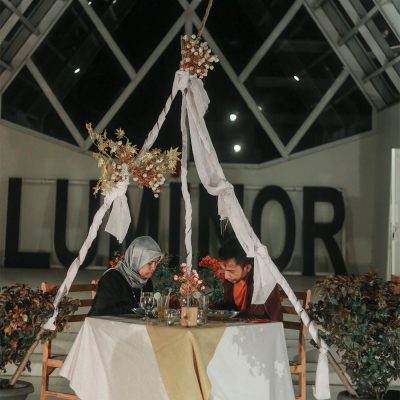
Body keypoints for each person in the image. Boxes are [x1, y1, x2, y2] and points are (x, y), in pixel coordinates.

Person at [88, 236, 163, 316]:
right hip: (104, 322)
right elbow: (103, 310)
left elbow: (146, 312)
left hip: (130, 323)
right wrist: (136, 308)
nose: (154, 267)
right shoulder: (112, 278)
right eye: (150, 263)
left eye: (156, 262)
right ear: (136, 260)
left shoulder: (147, 282)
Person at [217, 237, 283, 321]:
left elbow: (271, 319)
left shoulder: (262, 283)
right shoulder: (230, 281)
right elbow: (229, 308)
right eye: (223, 270)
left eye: (231, 271)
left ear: (247, 267)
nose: (226, 276)